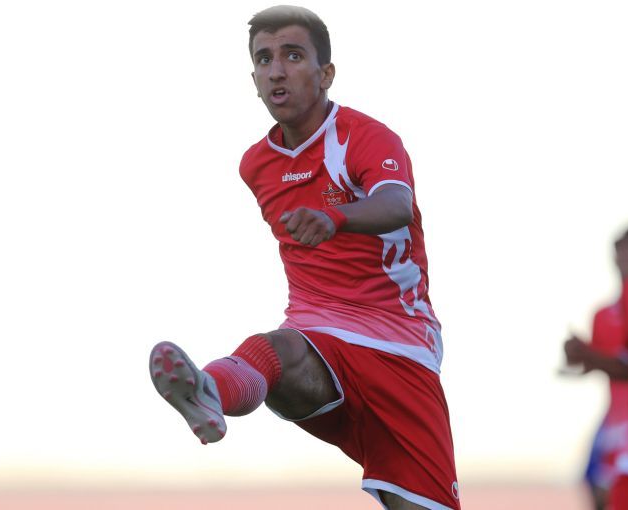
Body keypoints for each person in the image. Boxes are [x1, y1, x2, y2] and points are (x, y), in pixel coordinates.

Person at [149, 6, 459, 509]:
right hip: (318, 334)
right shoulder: (256, 165)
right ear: (253, 79)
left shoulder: (364, 137)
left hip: (397, 345)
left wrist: (336, 218)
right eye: (264, 59)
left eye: (293, 56)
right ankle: (208, 390)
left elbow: (397, 204)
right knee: (275, 351)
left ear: (326, 73)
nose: (277, 70)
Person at [564, 228, 628, 510]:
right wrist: (579, 354)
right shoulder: (605, 313)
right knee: (601, 491)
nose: (624, 257)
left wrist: (587, 354)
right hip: (617, 421)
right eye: (621, 251)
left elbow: (626, 366)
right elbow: (615, 364)